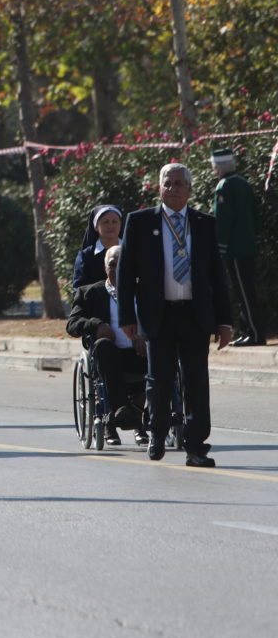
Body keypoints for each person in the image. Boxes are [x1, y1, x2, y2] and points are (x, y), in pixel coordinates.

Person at [117, 163, 232, 467]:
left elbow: (217, 276)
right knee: (160, 378)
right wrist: (127, 316)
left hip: (195, 314)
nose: (174, 188)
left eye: (180, 183)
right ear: (160, 187)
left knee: (196, 382)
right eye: (168, 183)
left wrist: (224, 321)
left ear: (190, 188)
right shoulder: (140, 222)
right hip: (159, 314)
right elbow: (126, 272)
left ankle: (195, 446)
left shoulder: (204, 223)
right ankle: (156, 433)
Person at [66, 245, 149, 446]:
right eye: (112, 264)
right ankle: (119, 410)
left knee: (162, 351)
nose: (117, 268)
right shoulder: (90, 293)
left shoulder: (146, 291)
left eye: (123, 264)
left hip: (141, 353)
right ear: (105, 268)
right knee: (102, 346)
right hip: (110, 357)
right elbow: (72, 324)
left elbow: (162, 319)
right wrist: (97, 325)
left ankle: (140, 418)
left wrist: (145, 336)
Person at [211, 149, 265, 346]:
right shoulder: (243, 183)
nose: (214, 170)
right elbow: (254, 212)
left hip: (234, 248)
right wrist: (256, 237)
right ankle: (247, 330)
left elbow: (223, 220)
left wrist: (221, 246)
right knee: (246, 289)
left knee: (243, 291)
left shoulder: (224, 186)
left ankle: (255, 333)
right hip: (248, 245)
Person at [72, 205, 122, 290]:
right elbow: (79, 289)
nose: (110, 226)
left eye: (115, 222)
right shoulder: (86, 256)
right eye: (105, 222)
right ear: (95, 226)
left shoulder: (131, 251)